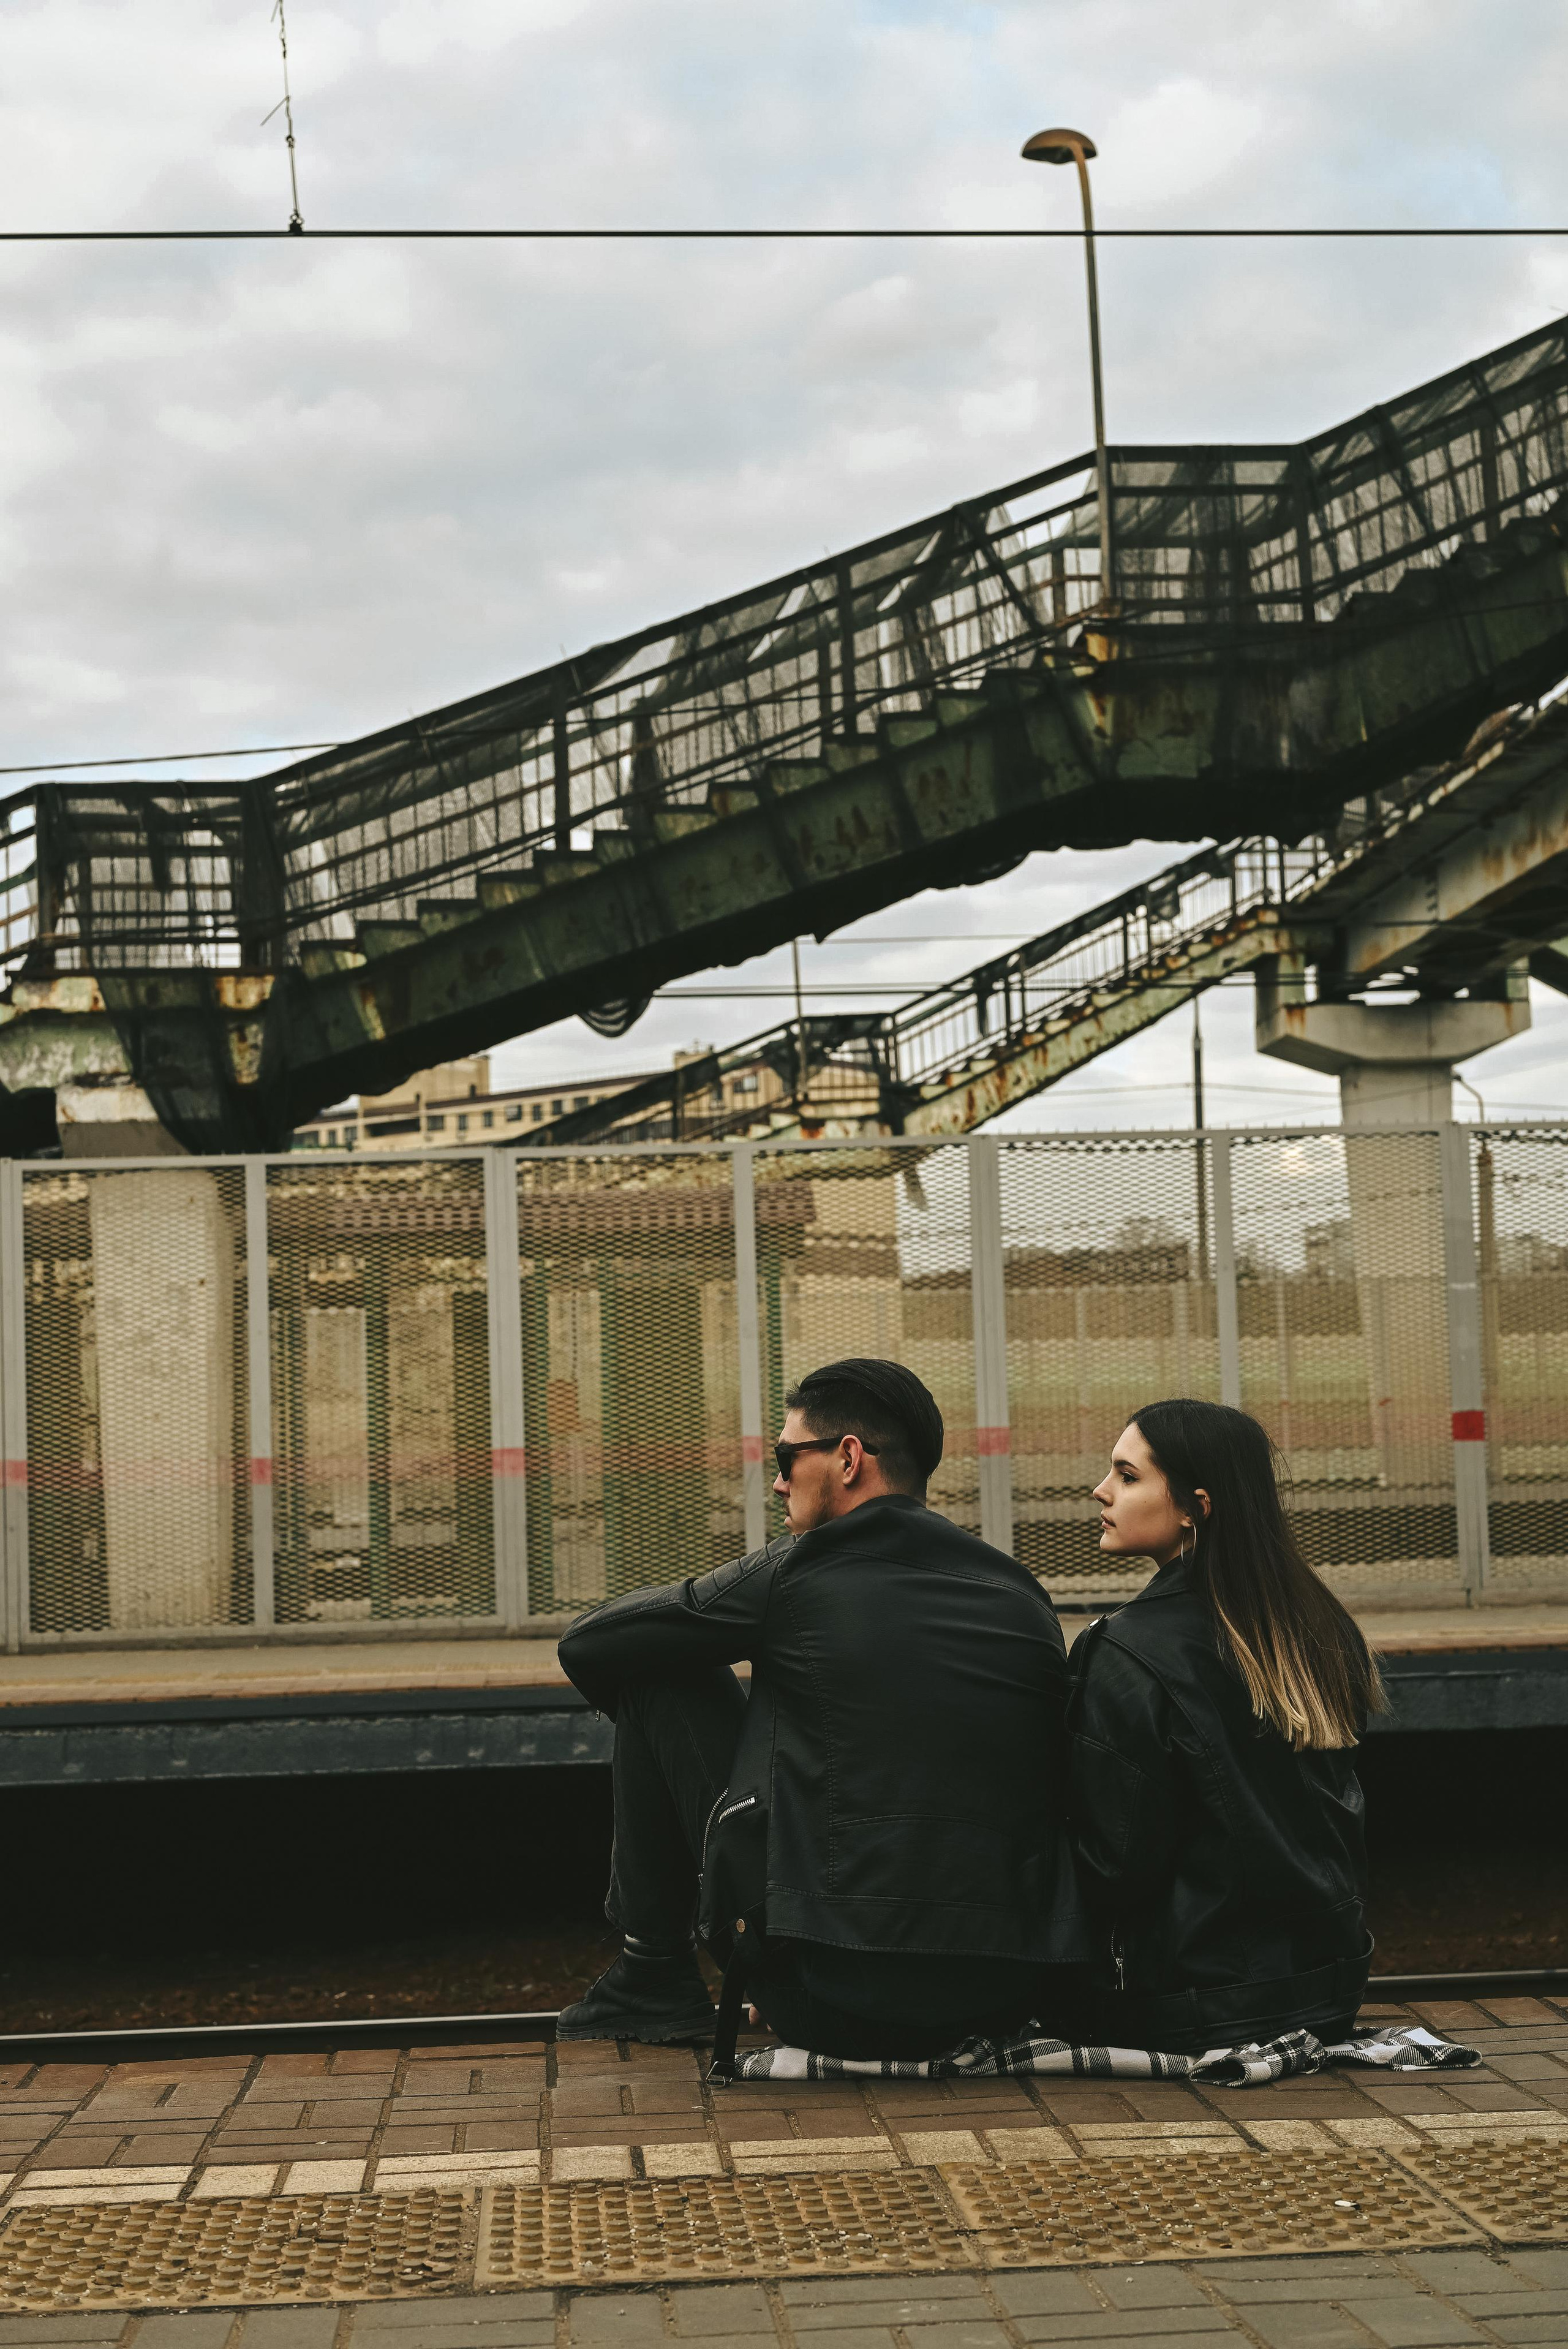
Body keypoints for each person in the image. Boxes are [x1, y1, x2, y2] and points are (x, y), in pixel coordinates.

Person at [556, 1356, 1087, 2054]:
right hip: (1003, 1996)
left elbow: (591, 1644)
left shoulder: (796, 1571)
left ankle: (652, 1974)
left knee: (658, 1671)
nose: (777, 1480)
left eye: (785, 1457)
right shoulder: (1022, 1595)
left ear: (847, 1459)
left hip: (829, 1997)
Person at [1070, 1398, 1382, 2054]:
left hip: (1191, 2004)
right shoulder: (1321, 1629)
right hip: (1328, 1992)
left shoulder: (1126, 1651)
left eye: (1127, 1477)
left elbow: (1116, 1864)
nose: (1101, 1490)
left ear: (1194, 1507)